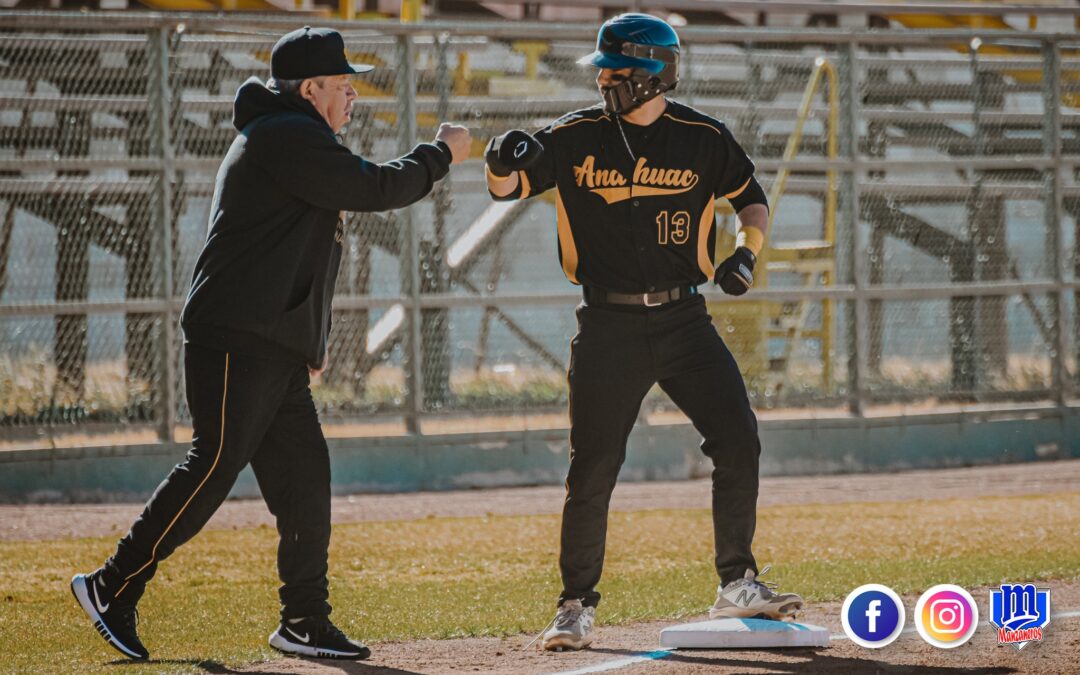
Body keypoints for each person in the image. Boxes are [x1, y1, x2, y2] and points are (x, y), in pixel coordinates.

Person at [70, 26, 470, 662]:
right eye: (342, 86)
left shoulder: (293, 134)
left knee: (306, 480)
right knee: (213, 467)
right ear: (310, 89)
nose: (351, 98)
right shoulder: (287, 134)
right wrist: (439, 154)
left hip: (270, 343)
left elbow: (307, 248)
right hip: (238, 337)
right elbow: (374, 189)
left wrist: (307, 337)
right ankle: (111, 584)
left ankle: (304, 620)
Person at [484, 13, 804, 651]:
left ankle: (737, 582)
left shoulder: (701, 137)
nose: (602, 79)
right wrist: (499, 161)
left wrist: (748, 252)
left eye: (615, 70)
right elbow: (508, 187)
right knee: (594, 466)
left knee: (738, 436)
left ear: (652, 76)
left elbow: (751, 197)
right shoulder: (574, 136)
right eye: (602, 71)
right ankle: (575, 605)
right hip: (607, 325)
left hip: (686, 320)